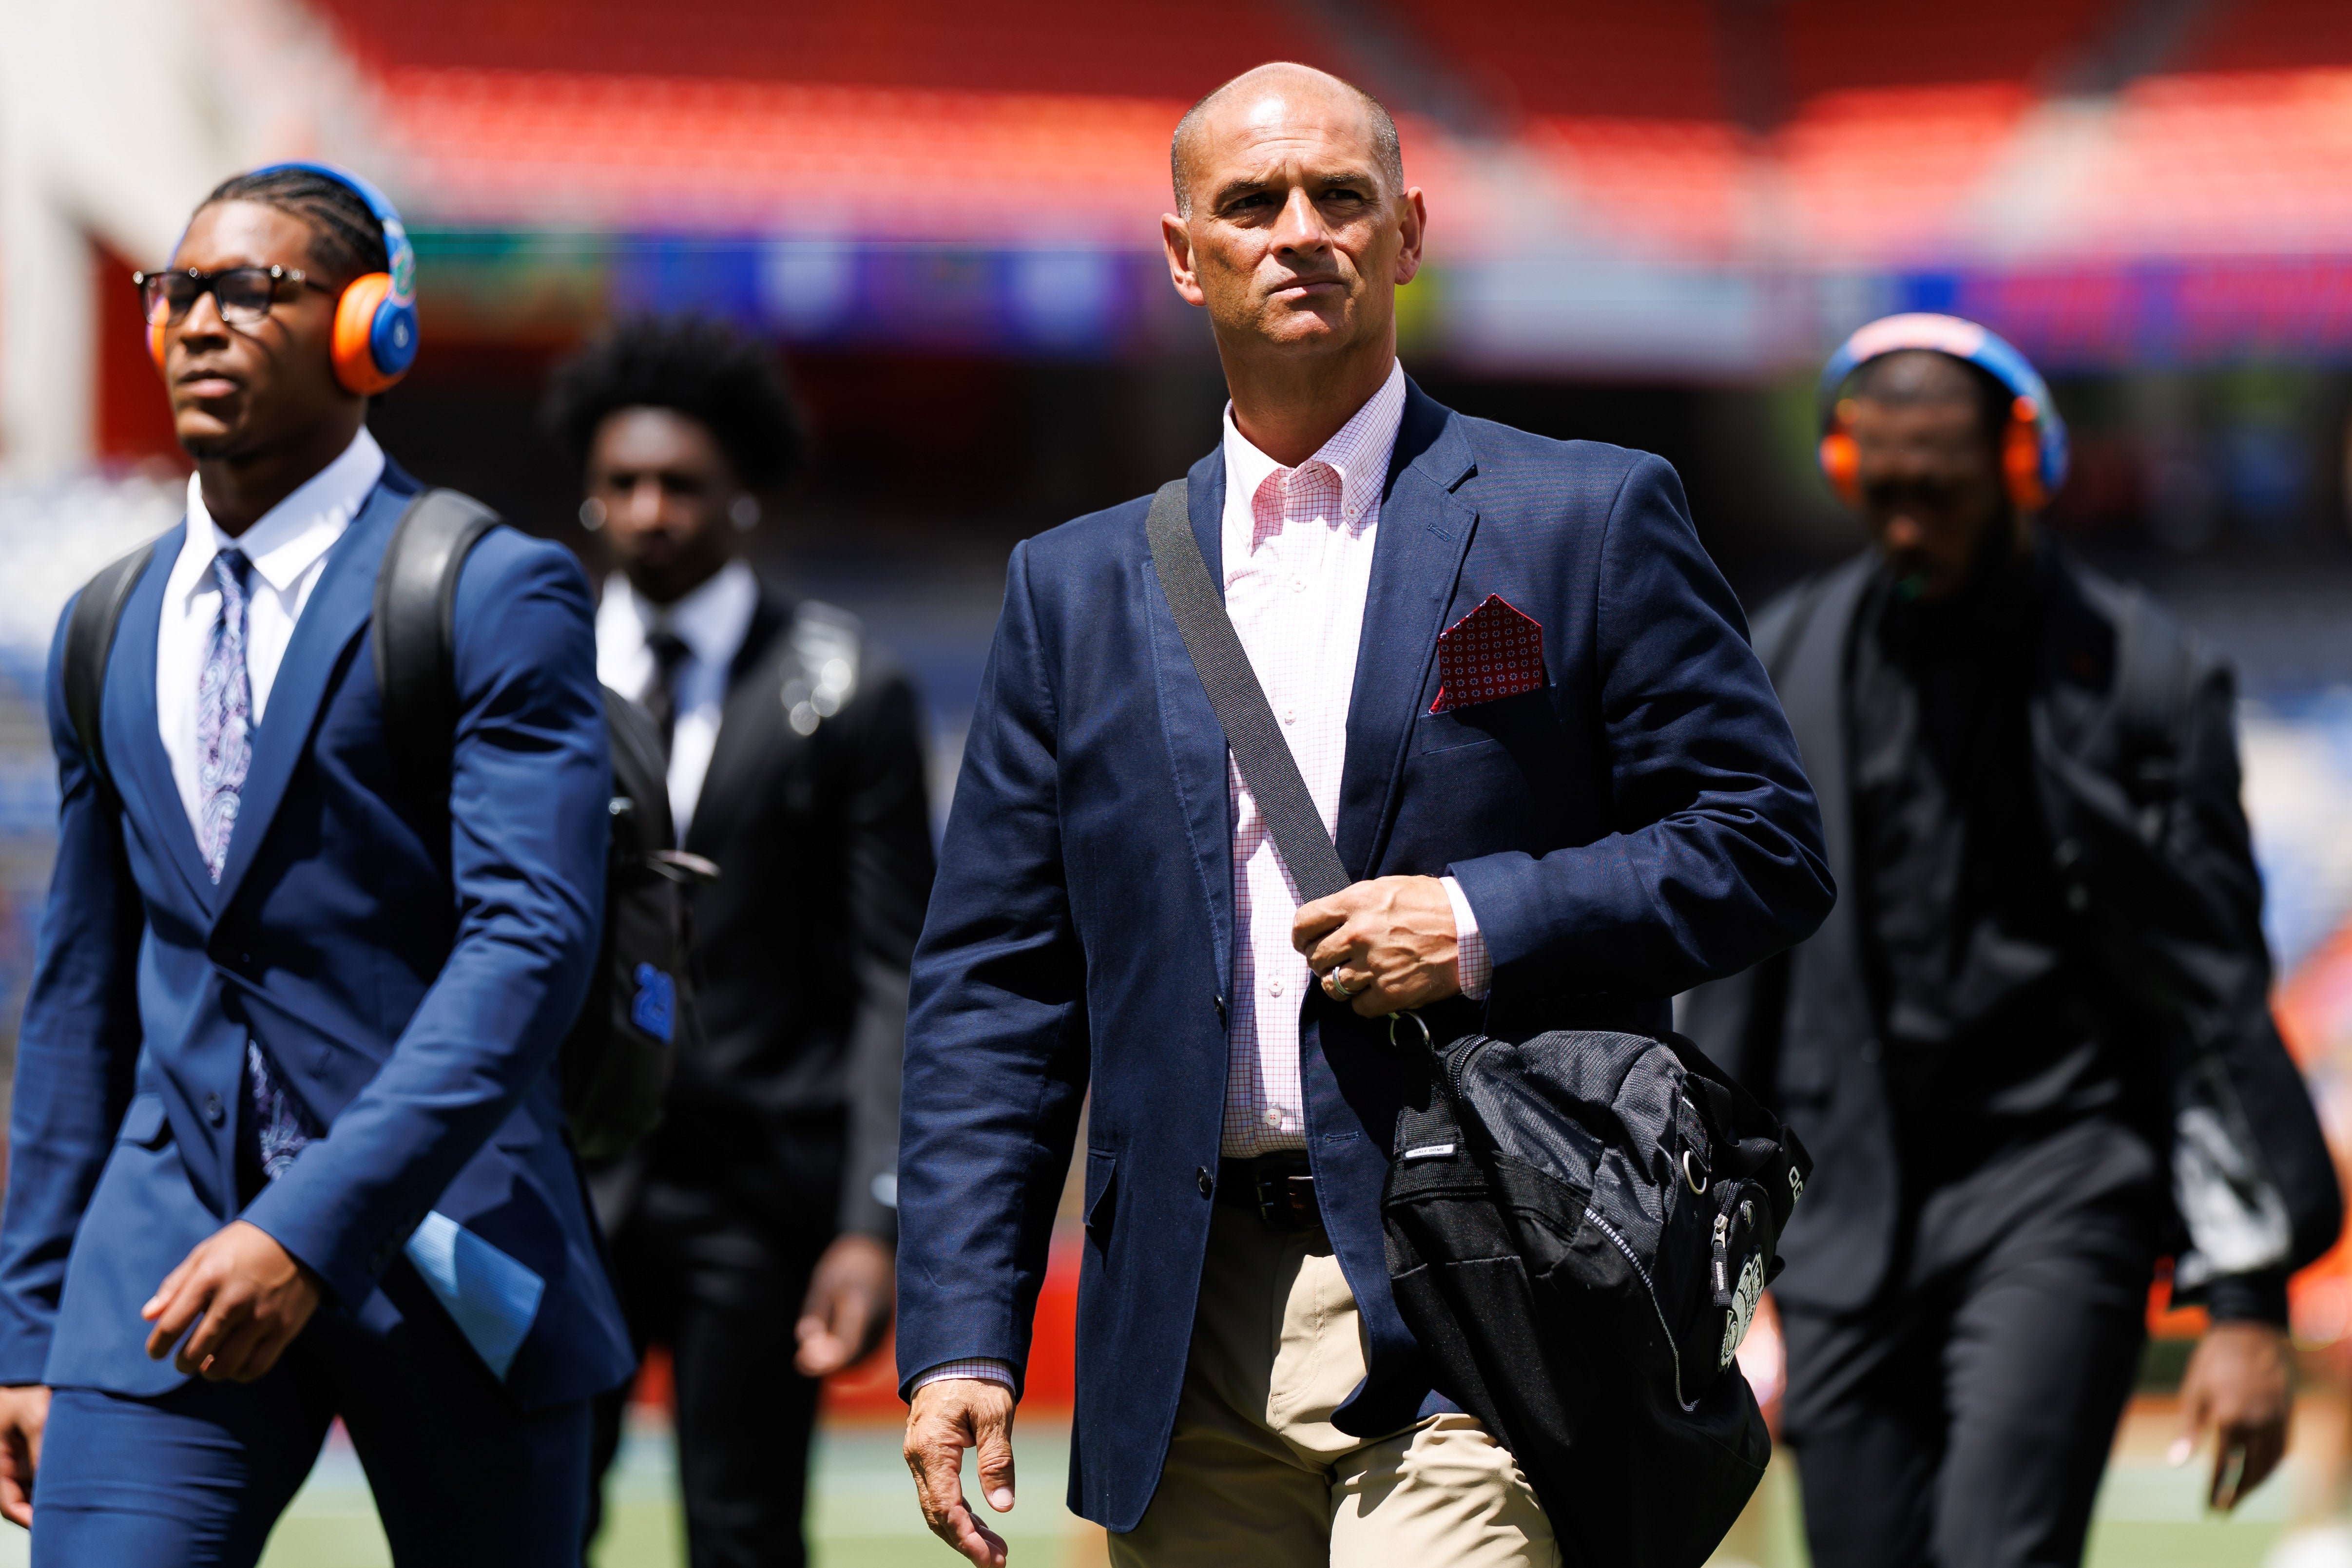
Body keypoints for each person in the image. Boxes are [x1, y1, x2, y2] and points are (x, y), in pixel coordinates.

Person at [896, 61, 1833, 1568]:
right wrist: (960, 1334)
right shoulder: (1069, 588)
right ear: (1180, 251)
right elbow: (997, 989)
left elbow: (1762, 843)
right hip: (1180, 1322)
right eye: (1251, 204)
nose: (1298, 232)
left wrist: (1473, 921)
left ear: (1407, 234)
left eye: (1340, 198)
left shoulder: (1584, 515)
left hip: (1481, 1291)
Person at [0, 163, 631, 1565]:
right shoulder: (107, 621)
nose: (202, 322)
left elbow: (528, 943)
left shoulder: (483, 585)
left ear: (371, 333)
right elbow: (82, 990)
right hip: (159, 1270)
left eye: (252, 289)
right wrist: (34, 1324)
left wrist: (304, 1229)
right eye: (179, 292)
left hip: (455, 1247)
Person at [1681, 314, 2344, 1568]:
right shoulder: (1778, 667)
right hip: (1846, 1212)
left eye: (1943, 482)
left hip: (2063, 1181)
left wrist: (2247, 1300)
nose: (1910, 515)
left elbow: (2208, 991)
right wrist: (1709, 1262)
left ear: (2020, 465)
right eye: (1883, 483)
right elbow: (1734, 979)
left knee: (2000, 1553)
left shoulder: (2144, 680)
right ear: (1840, 467)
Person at [542, 317, 934, 1568]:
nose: (651, 510)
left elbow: (894, 972)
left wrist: (875, 1221)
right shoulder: (522, 667)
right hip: (553, 1184)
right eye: (623, 484)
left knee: (748, 1536)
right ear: (590, 495)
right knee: (522, 1524)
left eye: (684, 484)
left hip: (763, 1198)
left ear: (745, 492)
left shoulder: (845, 685)